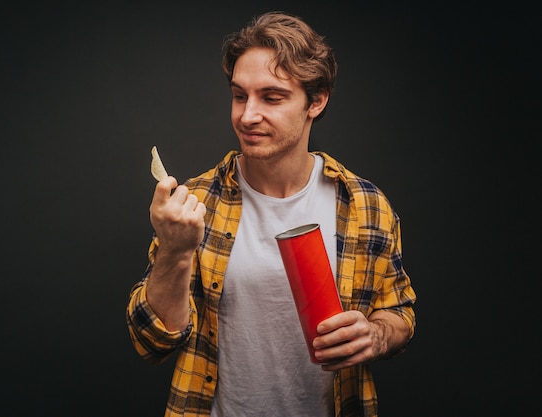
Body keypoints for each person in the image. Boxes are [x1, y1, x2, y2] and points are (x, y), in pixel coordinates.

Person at [126, 11, 417, 417]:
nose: (247, 116)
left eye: (272, 97)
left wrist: (374, 336)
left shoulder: (365, 204)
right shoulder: (195, 202)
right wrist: (175, 252)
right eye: (239, 95)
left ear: (316, 101)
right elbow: (151, 341)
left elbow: (399, 312)